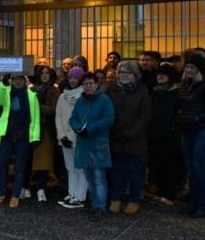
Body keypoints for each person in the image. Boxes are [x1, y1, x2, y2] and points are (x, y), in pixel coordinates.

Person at [106, 60, 152, 215]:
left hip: (135, 139)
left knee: (135, 171)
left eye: (128, 72)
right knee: (117, 171)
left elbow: (145, 115)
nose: (124, 75)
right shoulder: (111, 90)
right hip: (116, 137)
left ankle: (133, 200)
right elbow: (106, 110)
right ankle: (116, 199)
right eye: (121, 72)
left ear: (135, 75)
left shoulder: (142, 91)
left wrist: (132, 132)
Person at [0, 72, 40, 208]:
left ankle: (15, 195)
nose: (17, 82)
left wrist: (35, 136)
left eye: (20, 79)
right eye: (15, 79)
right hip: (8, 134)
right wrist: (3, 84)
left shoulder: (31, 95)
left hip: (23, 136)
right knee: (1, 164)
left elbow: (36, 118)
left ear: (25, 80)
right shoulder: (7, 91)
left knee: (20, 167)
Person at [178, 53, 205, 218]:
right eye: (187, 67)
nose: (189, 70)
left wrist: (197, 119)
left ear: (198, 69)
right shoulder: (183, 85)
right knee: (191, 168)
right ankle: (193, 204)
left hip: (202, 130)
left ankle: (203, 206)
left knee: (199, 167)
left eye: (192, 67)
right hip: (187, 130)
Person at [69, 73, 115, 221]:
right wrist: (77, 128)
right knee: (89, 177)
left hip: (98, 143)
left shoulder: (104, 100)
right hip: (83, 143)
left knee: (99, 177)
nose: (88, 86)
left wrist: (91, 128)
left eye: (91, 83)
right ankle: (94, 203)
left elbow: (109, 118)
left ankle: (100, 206)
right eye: (85, 84)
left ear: (97, 85)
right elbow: (73, 118)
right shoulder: (80, 101)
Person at [148, 63, 181, 206]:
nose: (160, 77)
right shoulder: (154, 91)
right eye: (158, 74)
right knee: (157, 163)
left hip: (171, 134)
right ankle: (161, 192)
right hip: (154, 133)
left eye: (164, 74)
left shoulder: (176, 92)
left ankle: (169, 194)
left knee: (170, 164)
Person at [55, 67, 88, 209]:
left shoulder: (85, 96)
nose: (73, 80)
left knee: (81, 168)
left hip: (79, 137)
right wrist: (62, 135)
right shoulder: (63, 96)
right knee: (70, 167)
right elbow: (59, 117)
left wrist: (76, 134)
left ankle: (80, 196)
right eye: (71, 77)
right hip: (65, 138)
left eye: (76, 77)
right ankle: (72, 192)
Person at [30, 65, 59, 203]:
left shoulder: (54, 90)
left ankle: (41, 188)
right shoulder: (31, 89)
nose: (45, 75)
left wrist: (36, 106)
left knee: (43, 161)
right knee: (31, 160)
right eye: (42, 73)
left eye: (47, 72)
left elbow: (54, 110)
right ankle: (29, 186)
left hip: (46, 129)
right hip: (32, 128)